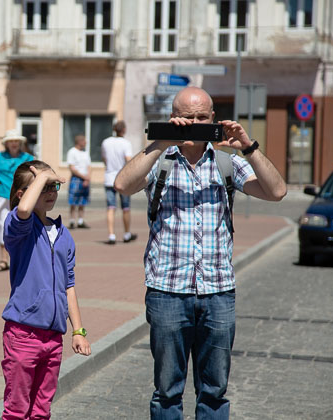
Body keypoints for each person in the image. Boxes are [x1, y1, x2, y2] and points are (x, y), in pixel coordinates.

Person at [114, 86, 287, 419]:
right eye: (186, 117)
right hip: (167, 291)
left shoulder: (226, 161)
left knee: (214, 392)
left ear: (213, 119)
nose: (194, 124)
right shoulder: (159, 158)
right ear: (173, 118)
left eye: (201, 118)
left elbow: (277, 191)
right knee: (167, 392)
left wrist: (248, 148)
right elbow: (122, 185)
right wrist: (161, 142)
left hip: (218, 293)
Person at [2, 160, 91, 419]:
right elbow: (25, 209)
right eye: (44, 187)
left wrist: (78, 330)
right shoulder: (18, 227)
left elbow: (69, 285)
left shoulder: (64, 234)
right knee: (17, 410)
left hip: (53, 337)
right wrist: (42, 176)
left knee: (41, 411)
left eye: (54, 186)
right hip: (23, 334)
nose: (51, 192)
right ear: (22, 193)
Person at [0, 129, 34, 272]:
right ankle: (3, 259)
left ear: (20, 143)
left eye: (16, 141)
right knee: (1, 225)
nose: (14, 144)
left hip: (21, 196)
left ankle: (21, 259)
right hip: (2, 194)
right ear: (6, 143)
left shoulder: (27, 158)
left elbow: (35, 172)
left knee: (22, 224)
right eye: (11, 141)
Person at [101, 120, 135, 244]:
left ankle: (111, 234)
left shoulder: (106, 142)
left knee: (111, 207)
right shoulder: (126, 143)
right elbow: (129, 161)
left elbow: (104, 159)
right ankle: (126, 233)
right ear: (124, 130)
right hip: (123, 179)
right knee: (126, 208)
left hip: (109, 178)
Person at [66, 134, 91, 229]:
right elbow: (72, 167)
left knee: (82, 201)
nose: (85, 142)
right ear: (79, 141)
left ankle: (80, 221)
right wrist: (83, 177)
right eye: (84, 140)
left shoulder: (85, 153)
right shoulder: (72, 152)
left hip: (85, 179)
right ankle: (72, 221)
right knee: (73, 201)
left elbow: (89, 166)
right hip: (76, 179)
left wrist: (88, 178)